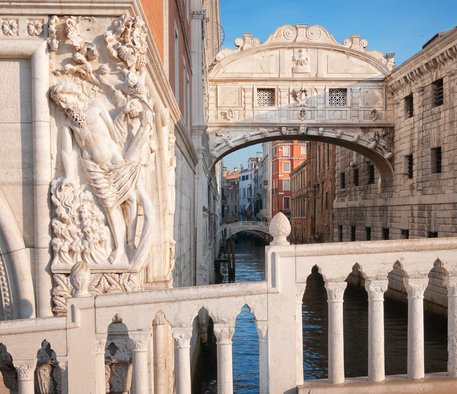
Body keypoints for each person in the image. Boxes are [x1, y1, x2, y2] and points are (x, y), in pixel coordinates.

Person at [50, 79, 154, 266]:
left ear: (72, 93)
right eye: (59, 104)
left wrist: (123, 112)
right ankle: (120, 246)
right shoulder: (68, 123)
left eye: (63, 100)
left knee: (130, 198)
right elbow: (67, 150)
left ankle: (130, 241)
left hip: (114, 160)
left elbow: (115, 132)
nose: (62, 105)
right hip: (94, 168)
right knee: (110, 207)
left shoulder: (96, 107)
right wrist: (69, 175)